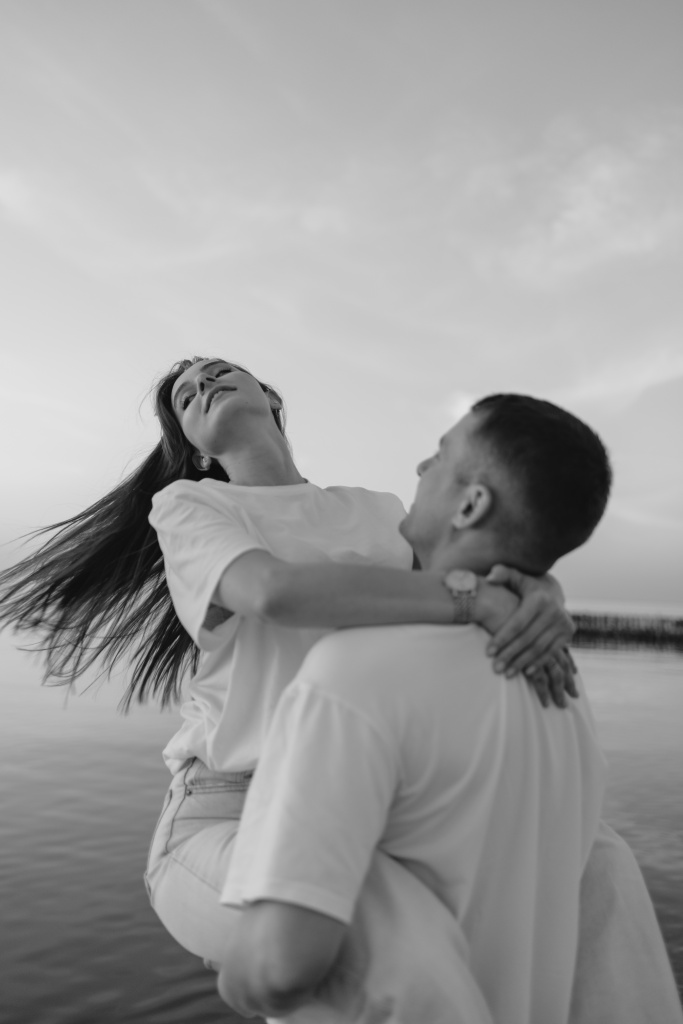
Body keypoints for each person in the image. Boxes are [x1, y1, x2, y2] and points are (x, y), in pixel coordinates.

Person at [0, 359, 575, 972]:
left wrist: (537, 591)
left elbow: (474, 566)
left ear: (271, 398)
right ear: (197, 452)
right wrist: (474, 599)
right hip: (228, 810)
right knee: (377, 943)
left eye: (218, 372)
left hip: (366, 798)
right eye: (186, 397)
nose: (203, 386)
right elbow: (272, 593)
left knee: (539, 902)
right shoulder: (190, 505)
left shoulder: (379, 510)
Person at [217, 395, 683, 1024]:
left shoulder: (354, 677)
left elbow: (276, 971)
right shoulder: (561, 695)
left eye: (439, 456)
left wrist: (236, 973)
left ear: (471, 505)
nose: (419, 467)